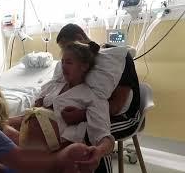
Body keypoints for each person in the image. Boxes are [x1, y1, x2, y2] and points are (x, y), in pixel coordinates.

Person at [9, 42, 114, 173]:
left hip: (50, 151)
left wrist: (99, 151)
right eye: (62, 62)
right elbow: (32, 112)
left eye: (69, 62)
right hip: (24, 136)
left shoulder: (92, 97)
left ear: (84, 67)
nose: (63, 66)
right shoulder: (54, 86)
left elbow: (104, 137)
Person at [56, 23, 140, 172]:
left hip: (125, 117)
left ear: (79, 38)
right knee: (66, 131)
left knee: (90, 134)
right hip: (94, 110)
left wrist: (81, 115)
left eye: (68, 47)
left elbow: (116, 106)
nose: (67, 54)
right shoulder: (88, 61)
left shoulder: (114, 58)